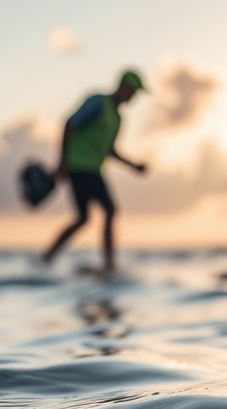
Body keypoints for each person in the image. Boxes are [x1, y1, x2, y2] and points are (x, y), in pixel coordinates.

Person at [41, 69, 148, 275]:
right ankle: (109, 264)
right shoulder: (99, 102)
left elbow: (110, 150)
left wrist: (132, 165)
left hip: (94, 170)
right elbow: (70, 124)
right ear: (124, 87)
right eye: (133, 91)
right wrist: (62, 162)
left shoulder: (117, 119)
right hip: (78, 166)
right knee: (109, 210)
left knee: (83, 218)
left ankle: (47, 257)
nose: (134, 97)